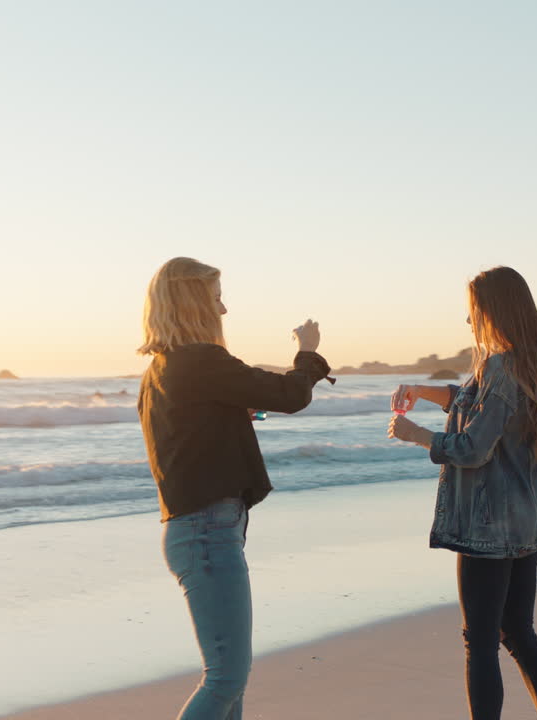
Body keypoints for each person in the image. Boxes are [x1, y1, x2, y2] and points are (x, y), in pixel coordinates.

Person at [137, 257, 332, 720]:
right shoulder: (200, 360)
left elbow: (184, 440)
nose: (223, 311)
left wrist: (228, 418)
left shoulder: (162, 371)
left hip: (199, 531)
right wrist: (308, 354)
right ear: (194, 304)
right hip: (206, 534)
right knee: (226, 678)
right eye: (217, 298)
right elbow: (289, 395)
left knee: (230, 682)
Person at [387, 266, 537, 720]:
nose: (469, 322)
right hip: (527, 524)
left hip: (489, 527)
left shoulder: (501, 367)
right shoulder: (532, 366)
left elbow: (472, 448)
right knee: (519, 633)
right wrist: (421, 390)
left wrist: (417, 435)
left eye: (473, 312)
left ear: (493, 313)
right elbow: (473, 403)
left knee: (482, 641)